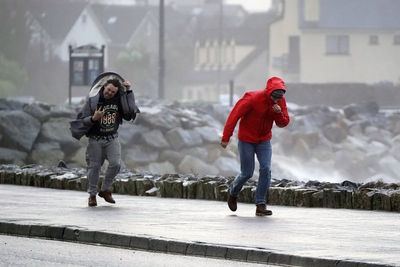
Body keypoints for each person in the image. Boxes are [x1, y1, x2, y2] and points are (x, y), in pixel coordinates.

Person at [220, 76, 290, 216]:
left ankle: (260, 205)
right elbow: (234, 116)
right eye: (275, 96)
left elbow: (283, 123)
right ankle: (233, 193)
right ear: (269, 92)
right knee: (247, 173)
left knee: (266, 169)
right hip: (247, 139)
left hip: (264, 140)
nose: (277, 99)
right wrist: (226, 137)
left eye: (280, 96)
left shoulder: (280, 101)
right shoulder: (252, 98)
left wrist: (278, 113)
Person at [72, 74, 139, 207]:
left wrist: (129, 91)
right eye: (108, 90)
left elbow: (130, 111)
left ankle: (105, 189)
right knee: (94, 167)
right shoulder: (93, 101)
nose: (110, 93)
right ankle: (92, 195)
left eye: (113, 92)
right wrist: (93, 118)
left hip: (112, 138)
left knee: (116, 164)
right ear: (104, 87)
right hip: (95, 140)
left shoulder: (119, 100)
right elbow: (80, 120)